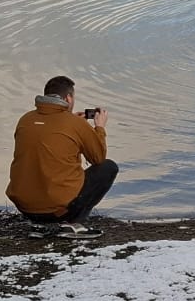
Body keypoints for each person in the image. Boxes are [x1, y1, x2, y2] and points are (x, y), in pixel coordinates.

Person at [6, 76, 118, 225]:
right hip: (56, 212)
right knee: (108, 167)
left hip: (25, 207)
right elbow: (98, 158)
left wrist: (73, 124)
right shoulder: (75, 123)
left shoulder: (25, 119)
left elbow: (47, 139)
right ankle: (75, 222)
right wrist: (100, 128)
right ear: (68, 98)